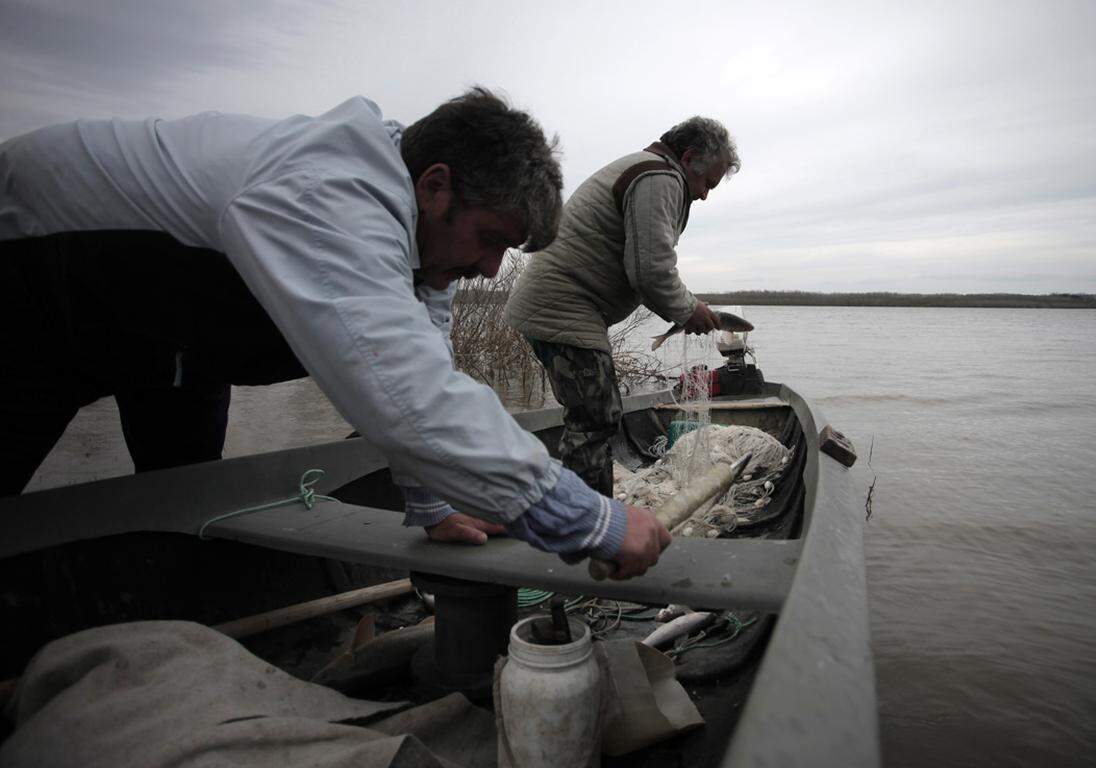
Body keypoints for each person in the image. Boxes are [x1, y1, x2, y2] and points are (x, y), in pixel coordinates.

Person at [0, 89, 670, 579]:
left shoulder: (415, 242)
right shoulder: (330, 198)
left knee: (186, 513)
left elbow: (424, 362)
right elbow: (404, 396)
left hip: (175, 339)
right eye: (491, 239)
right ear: (436, 186)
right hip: (35, 272)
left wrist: (431, 502)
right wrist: (590, 521)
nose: (490, 270)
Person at [497, 118, 740, 498]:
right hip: (562, 307)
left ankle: (576, 509)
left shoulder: (653, 172)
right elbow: (649, 270)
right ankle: (586, 523)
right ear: (689, 157)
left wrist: (686, 305)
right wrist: (688, 310)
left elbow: (647, 265)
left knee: (592, 416)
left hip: (568, 307)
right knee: (596, 417)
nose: (706, 195)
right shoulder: (659, 177)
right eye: (708, 182)